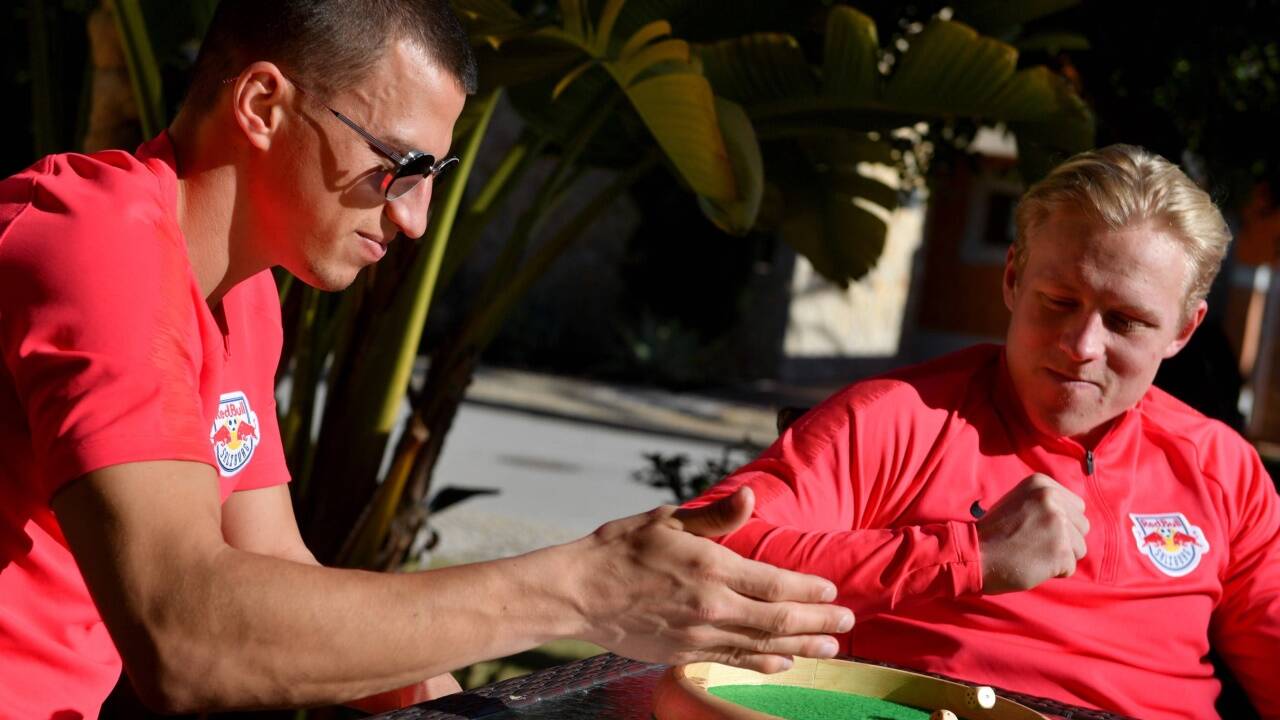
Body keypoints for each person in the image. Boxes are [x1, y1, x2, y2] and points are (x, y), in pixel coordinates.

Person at [0, 1, 853, 717]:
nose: (415, 217)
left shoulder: (243, 292)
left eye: (435, 172)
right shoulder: (97, 242)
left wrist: (451, 701)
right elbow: (186, 635)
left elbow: (267, 566)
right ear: (262, 104)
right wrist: (582, 589)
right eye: (400, 166)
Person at [689, 145, 1280, 720]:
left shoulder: (1223, 467)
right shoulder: (900, 418)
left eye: (1126, 322)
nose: (1082, 347)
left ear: (1183, 330)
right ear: (1013, 278)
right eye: (1058, 301)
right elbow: (702, 553)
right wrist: (968, 555)